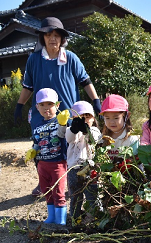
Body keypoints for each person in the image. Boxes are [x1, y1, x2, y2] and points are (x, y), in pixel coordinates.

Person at [13, 17, 101, 196]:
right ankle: (43, 183)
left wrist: (96, 101)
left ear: (62, 39)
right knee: (41, 147)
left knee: (67, 148)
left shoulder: (71, 58)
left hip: (67, 113)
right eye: (48, 34)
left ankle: (68, 183)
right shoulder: (34, 60)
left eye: (56, 35)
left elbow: (85, 81)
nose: (52, 38)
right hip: (41, 113)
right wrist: (19, 106)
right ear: (42, 37)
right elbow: (28, 86)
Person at [25, 88, 68, 225]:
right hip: (42, 164)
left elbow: (63, 135)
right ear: (37, 107)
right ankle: (51, 216)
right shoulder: (37, 126)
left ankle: (61, 219)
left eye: (49, 104)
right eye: (42, 105)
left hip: (58, 163)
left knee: (59, 191)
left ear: (57, 105)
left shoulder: (60, 122)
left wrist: (63, 124)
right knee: (47, 190)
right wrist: (33, 151)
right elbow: (36, 142)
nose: (46, 108)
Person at [61, 101, 102, 220]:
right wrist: (75, 128)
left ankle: (94, 218)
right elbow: (69, 138)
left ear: (93, 118)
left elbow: (94, 140)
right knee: (75, 196)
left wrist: (86, 130)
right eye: (80, 117)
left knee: (92, 195)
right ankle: (75, 218)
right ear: (74, 118)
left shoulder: (95, 130)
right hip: (74, 169)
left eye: (87, 116)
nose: (84, 119)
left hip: (90, 169)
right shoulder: (71, 130)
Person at [100, 94, 139, 161]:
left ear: (127, 116)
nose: (112, 122)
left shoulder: (132, 139)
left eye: (116, 118)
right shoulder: (102, 138)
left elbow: (135, 161)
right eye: (107, 118)